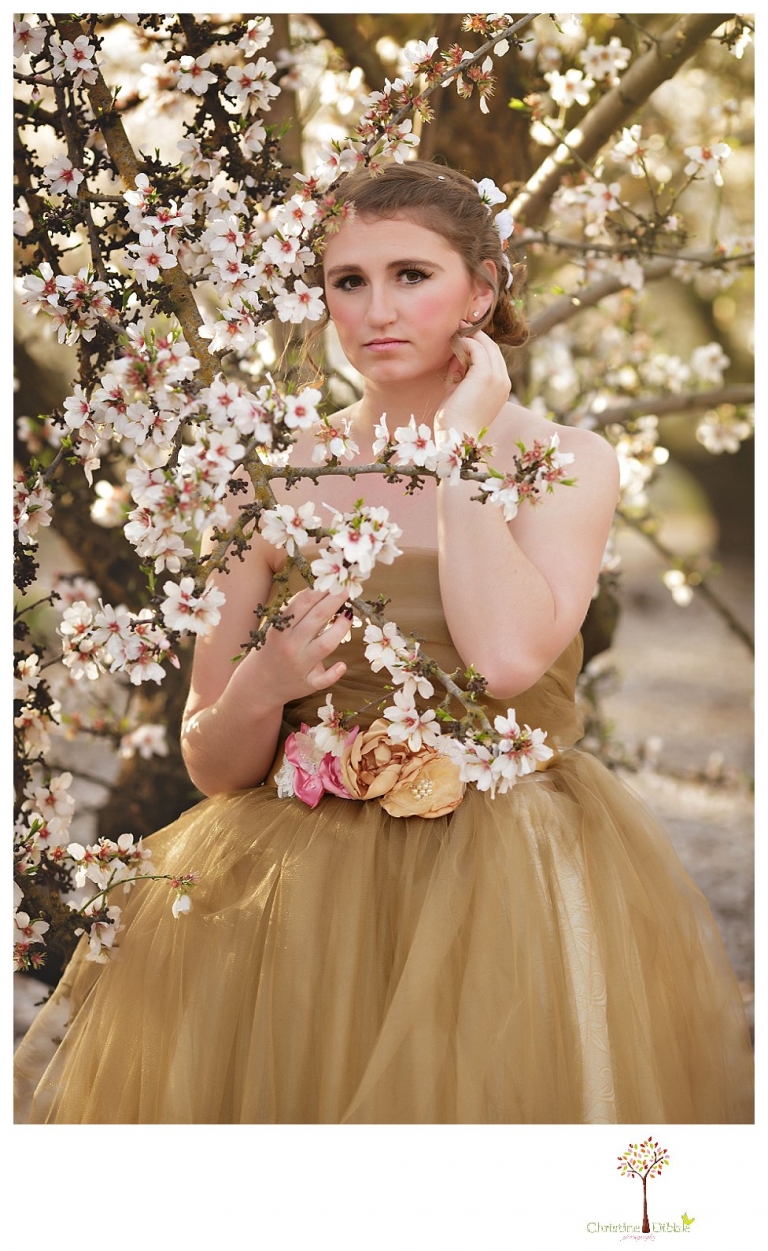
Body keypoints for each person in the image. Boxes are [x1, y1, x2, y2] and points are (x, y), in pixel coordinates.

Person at [14, 160, 753, 1124]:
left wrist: (455, 456)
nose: (377, 309)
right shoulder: (272, 479)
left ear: (481, 290)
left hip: (506, 873)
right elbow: (209, 760)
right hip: (300, 888)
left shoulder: (565, 461)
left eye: (412, 274)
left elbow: (504, 663)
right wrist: (265, 683)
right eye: (348, 281)